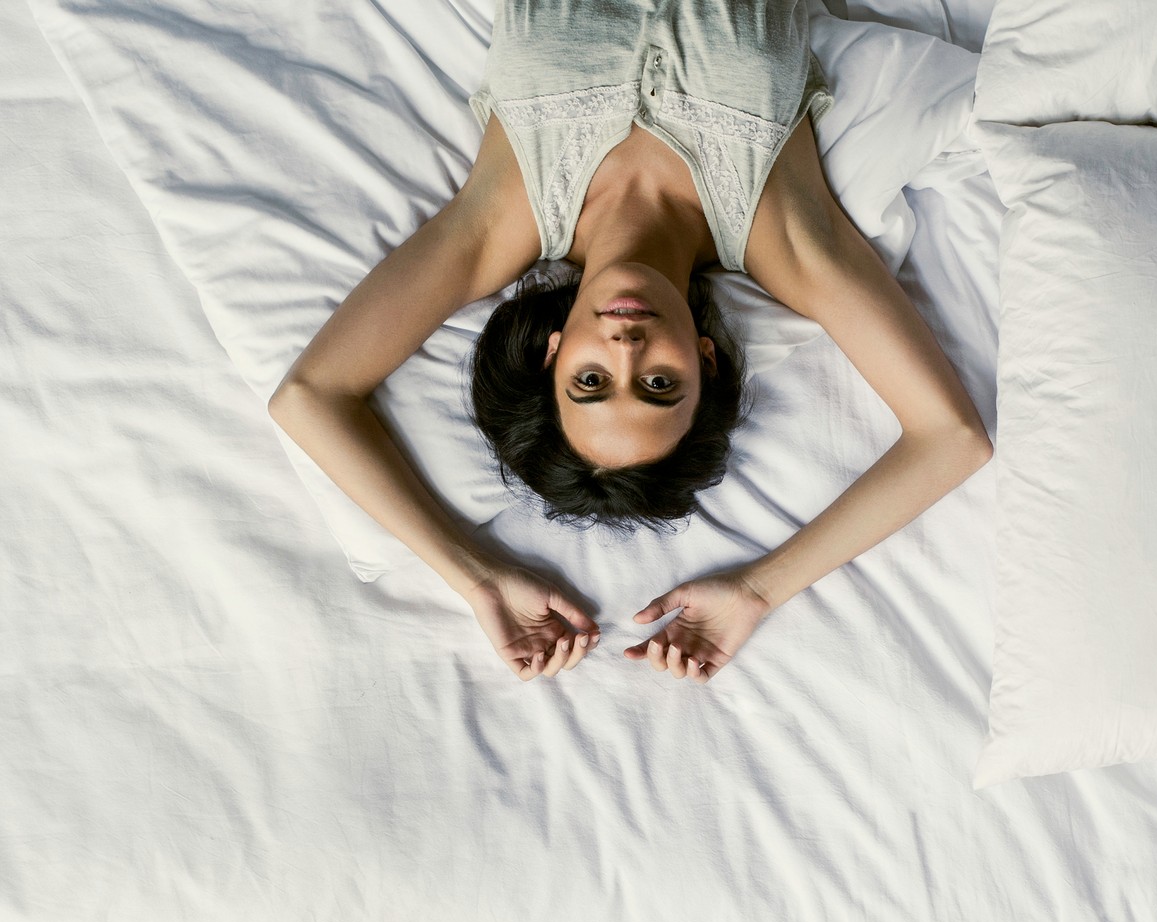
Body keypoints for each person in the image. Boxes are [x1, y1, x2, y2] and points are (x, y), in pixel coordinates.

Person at [267, 0, 993, 684]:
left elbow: (310, 396)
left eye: (590, 381)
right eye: (658, 385)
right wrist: (755, 589)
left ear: (552, 353)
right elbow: (952, 437)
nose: (627, 346)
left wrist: (477, 578)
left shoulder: (497, 224)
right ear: (705, 362)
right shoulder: (788, 240)